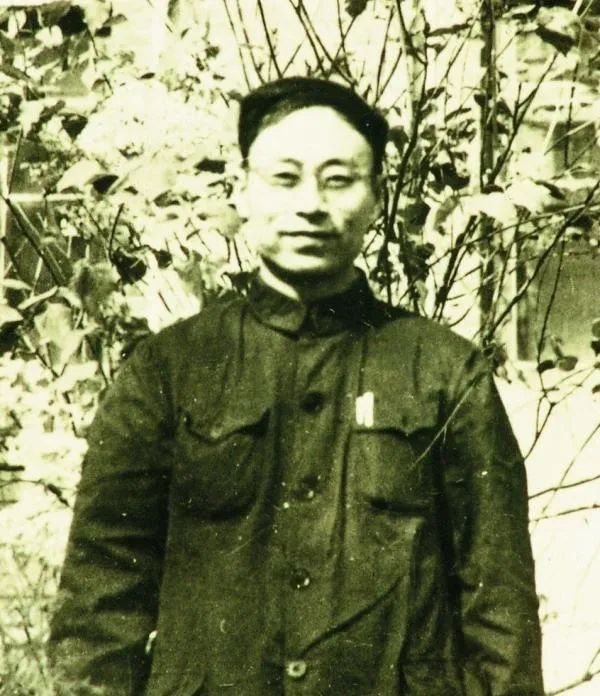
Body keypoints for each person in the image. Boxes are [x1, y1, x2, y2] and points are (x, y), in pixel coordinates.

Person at [49, 77, 544, 696]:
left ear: (376, 197)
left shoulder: (444, 371)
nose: (311, 204)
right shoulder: (170, 369)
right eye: (284, 178)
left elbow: (499, 609)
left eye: (339, 179)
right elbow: (100, 600)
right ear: (242, 189)